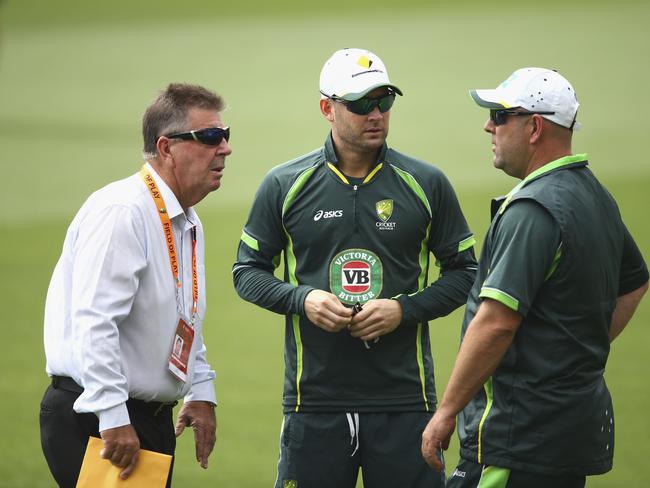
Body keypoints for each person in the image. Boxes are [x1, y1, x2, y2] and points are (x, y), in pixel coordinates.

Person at [233, 48, 477, 488]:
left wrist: (405, 310)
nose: (376, 114)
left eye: (384, 101)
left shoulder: (426, 183)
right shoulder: (285, 184)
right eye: (360, 104)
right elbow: (247, 271)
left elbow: (465, 272)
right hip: (314, 404)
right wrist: (301, 298)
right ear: (327, 108)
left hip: (405, 402)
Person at [421, 67, 649, 487]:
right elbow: (635, 282)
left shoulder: (532, 209)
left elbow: (496, 323)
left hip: (517, 438)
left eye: (501, 115)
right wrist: (571, 353)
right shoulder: (595, 195)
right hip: (568, 435)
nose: (488, 125)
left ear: (535, 127)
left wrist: (446, 411)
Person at [40, 83, 232, 488]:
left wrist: (200, 388)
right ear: (166, 148)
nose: (225, 148)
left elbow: (181, 314)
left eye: (225, 135)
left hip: (145, 419)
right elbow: (94, 320)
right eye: (210, 137)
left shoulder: (186, 217)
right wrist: (112, 417)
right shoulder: (122, 212)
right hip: (100, 418)